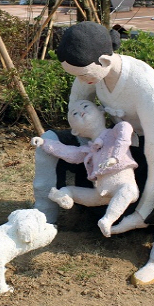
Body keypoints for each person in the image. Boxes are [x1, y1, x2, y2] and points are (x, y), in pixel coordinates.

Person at [33, 21, 154, 285]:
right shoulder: (90, 73)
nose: (82, 80)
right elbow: (76, 106)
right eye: (75, 74)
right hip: (116, 140)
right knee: (49, 141)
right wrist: (91, 142)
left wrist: (140, 214)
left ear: (104, 60)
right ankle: (42, 220)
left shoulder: (143, 84)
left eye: (85, 74)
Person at [31, 100, 139, 237]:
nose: (81, 111)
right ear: (76, 132)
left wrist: (115, 157)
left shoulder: (116, 132)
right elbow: (69, 153)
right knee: (75, 192)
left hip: (121, 184)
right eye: (74, 113)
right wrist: (44, 143)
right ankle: (63, 195)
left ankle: (107, 220)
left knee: (129, 191)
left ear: (101, 112)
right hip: (100, 191)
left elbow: (125, 135)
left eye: (86, 106)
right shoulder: (90, 149)